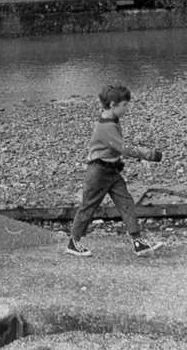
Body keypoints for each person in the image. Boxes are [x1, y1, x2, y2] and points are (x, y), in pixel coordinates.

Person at [65, 84, 165, 258]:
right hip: (98, 173)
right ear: (112, 104)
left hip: (111, 172)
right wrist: (149, 155)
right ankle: (73, 242)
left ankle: (137, 242)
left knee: (126, 203)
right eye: (124, 105)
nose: (127, 108)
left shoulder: (110, 120)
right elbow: (124, 149)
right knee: (88, 207)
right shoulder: (106, 127)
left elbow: (117, 149)